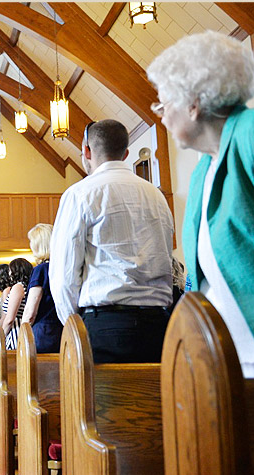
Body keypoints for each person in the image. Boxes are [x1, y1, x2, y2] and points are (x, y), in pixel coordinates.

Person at [147, 30, 254, 415]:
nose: (161, 117)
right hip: (226, 365)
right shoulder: (201, 173)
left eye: (163, 106)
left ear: (194, 104)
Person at [49, 119, 173, 364]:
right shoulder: (156, 196)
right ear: (126, 153)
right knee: (153, 400)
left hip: (105, 325)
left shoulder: (80, 193)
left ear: (87, 150)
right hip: (158, 324)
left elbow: (64, 273)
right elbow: (166, 255)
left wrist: (74, 326)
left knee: (102, 402)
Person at [20, 224, 63, 354]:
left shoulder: (41, 270)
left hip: (43, 333)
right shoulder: (63, 269)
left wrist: (22, 334)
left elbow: (30, 311)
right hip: (62, 329)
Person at [0, 257, 32, 350]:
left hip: (15, 332)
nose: (9, 274)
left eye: (10, 270)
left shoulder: (18, 287)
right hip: (24, 330)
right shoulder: (28, 286)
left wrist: (0, 337)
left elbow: (10, 318)